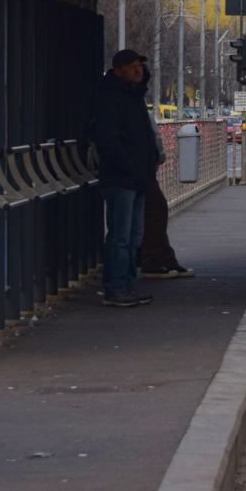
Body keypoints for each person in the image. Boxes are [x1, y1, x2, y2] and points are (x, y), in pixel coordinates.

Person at [92, 49, 159, 307]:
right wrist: (132, 167)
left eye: (139, 65)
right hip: (122, 178)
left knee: (133, 236)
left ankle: (126, 286)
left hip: (138, 177)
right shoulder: (112, 98)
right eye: (131, 66)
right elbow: (108, 140)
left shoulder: (134, 96)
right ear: (118, 71)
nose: (138, 69)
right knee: (120, 237)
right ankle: (116, 287)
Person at [137, 64, 194, 278]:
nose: (145, 83)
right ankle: (152, 263)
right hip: (135, 169)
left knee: (153, 213)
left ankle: (164, 259)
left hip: (143, 168)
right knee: (154, 211)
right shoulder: (128, 101)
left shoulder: (137, 101)